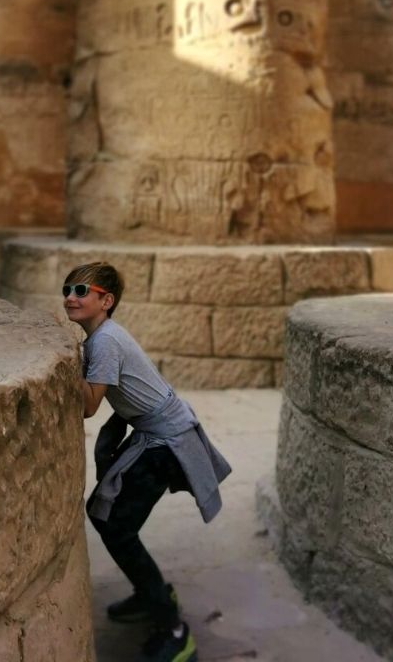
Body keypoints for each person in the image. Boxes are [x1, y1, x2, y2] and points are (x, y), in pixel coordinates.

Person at [63, 261, 231, 662]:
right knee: (110, 519)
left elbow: (88, 406)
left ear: (107, 300)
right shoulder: (104, 336)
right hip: (156, 433)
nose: (71, 297)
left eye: (82, 291)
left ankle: (174, 628)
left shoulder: (103, 342)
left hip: (165, 442)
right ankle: (149, 591)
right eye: (67, 289)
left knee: (115, 526)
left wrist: (63, 367)